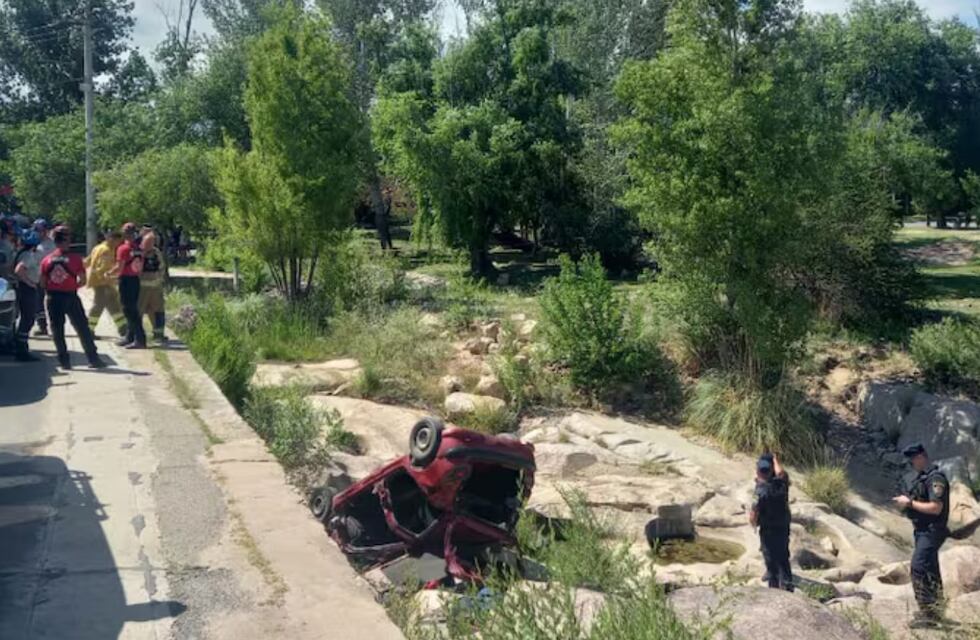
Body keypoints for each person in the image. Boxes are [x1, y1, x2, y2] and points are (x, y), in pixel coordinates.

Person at [893, 443, 950, 629]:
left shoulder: (936, 478)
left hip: (932, 530)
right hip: (922, 530)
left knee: (918, 567)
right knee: (930, 569)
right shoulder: (922, 478)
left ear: (921, 457)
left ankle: (927, 615)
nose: (912, 463)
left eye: (913, 459)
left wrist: (909, 503)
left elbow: (936, 508)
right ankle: (935, 611)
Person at [40, 229, 106, 370]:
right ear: (66, 241)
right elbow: (83, 280)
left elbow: (42, 282)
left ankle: (64, 362)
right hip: (70, 296)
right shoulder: (75, 259)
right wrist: (72, 286)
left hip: (53, 297)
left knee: (57, 330)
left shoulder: (46, 260)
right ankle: (93, 359)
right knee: (82, 328)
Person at [750, 452, 794, 592]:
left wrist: (753, 524)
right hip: (783, 526)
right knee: (783, 555)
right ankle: (787, 584)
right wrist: (774, 459)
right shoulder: (782, 483)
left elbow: (754, 512)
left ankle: (773, 587)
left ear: (758, 471)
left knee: (769, 556)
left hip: (768, 529)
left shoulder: (760, 492)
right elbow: (781, 473)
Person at [85, 230, 127, 337]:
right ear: (112, 239)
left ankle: (123, 328)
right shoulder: (106, 251)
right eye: (118, 241)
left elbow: (88, 261)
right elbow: (102, 268)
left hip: (101, 282)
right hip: (103, 283)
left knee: (114, 305)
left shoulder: (98, 247)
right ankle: (88, 330)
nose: (119, 244)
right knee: (98, 306)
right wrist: (110, 279)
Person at [113, 222, 146, 349]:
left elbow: (120, 267)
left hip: (126, 280)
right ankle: (129, 337)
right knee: (132, 308)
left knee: (128, 310)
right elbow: (141, 268)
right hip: (135, 280)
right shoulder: (140, 249)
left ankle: (140, 339)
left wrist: (109, 274)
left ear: (124, 233)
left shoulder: (123, 249)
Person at [12, 229, 43, 361]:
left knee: (25, 318)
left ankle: (20, 347)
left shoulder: (21, 253)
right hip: (27, 289)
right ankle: (22, 350)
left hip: (21, 288)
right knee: (28, 318)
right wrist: (30, 282)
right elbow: (19, 270)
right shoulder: (28, 255)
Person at [138, 229, 167, 344]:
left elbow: (162, 266)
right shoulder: (138, 253)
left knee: (158, 311)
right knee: (139, 311)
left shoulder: (156, 253)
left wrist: (159, 277)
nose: (150, 245)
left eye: (152, 242)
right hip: (142, 289)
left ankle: (159, 335)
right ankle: (138, 335)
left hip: (156, 288)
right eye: (148, 243)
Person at [33, 218, 55, 336]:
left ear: (45, 230)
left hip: (51, 277)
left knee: (53, 302)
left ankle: (55, 325)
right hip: (37, 277)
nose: (38, 232)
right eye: (36, 230)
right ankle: (42, 326)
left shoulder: (52, 244)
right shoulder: (34, 243)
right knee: (38, 302)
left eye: (40, 230)